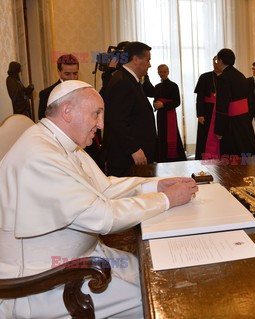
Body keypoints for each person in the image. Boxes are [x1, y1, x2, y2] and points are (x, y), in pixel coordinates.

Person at [0, 80, 198, 318]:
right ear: (67, 111)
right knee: (162, 296)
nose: (101, 124)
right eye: (97, 113)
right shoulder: (39, 156)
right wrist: (166, 200)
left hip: (87, 259)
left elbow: (103, 188)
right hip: (49, 282)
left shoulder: (60, 143)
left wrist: (154, 185)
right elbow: (103, 217)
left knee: (160, 272)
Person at [103, 41, 157, 177]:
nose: (150, 64)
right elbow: (117, 121)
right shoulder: (122, 82)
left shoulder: (131, 80)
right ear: (135, 59)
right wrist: (134, 149)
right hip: (127, 158)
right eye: (148, 60)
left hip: (134, 156)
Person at [206, 48, 255, 158]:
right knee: (243, 155)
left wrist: (219, 130)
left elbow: (222, 105)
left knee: (230, 158)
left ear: (221, 61)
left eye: (217, 60)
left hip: (231, 124)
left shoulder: (223, 78)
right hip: (243, 122)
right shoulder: (240, 75)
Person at [153, 64, 186, 162]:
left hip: (169, 114)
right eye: (160, 72)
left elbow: (177, 102)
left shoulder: (173, 85)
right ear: (158, 73)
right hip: (160, 115)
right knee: (161, 134)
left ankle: (174, 158)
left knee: (172, 135)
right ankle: (162, 158)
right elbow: (155, 100)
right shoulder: (157, 86)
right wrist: (155, 105)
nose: (162, 74)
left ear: (168, 72)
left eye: (164, 72)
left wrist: (163, 105)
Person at [194, 56, 222, 160]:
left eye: (217, 62)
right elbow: (200, 97)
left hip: (221, 112)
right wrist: (200, 114)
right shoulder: (204, 77)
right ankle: (203, 160)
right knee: (204, 138)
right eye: (214, 62)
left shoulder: (227, 77)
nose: (215, 64)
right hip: (207, 112)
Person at [38, 54, 79, 120]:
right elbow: (44, 124)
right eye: (67, 74)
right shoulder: (46, 94)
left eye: (75, 74)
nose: (72, 78)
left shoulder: (87, 91)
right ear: (59, 72)